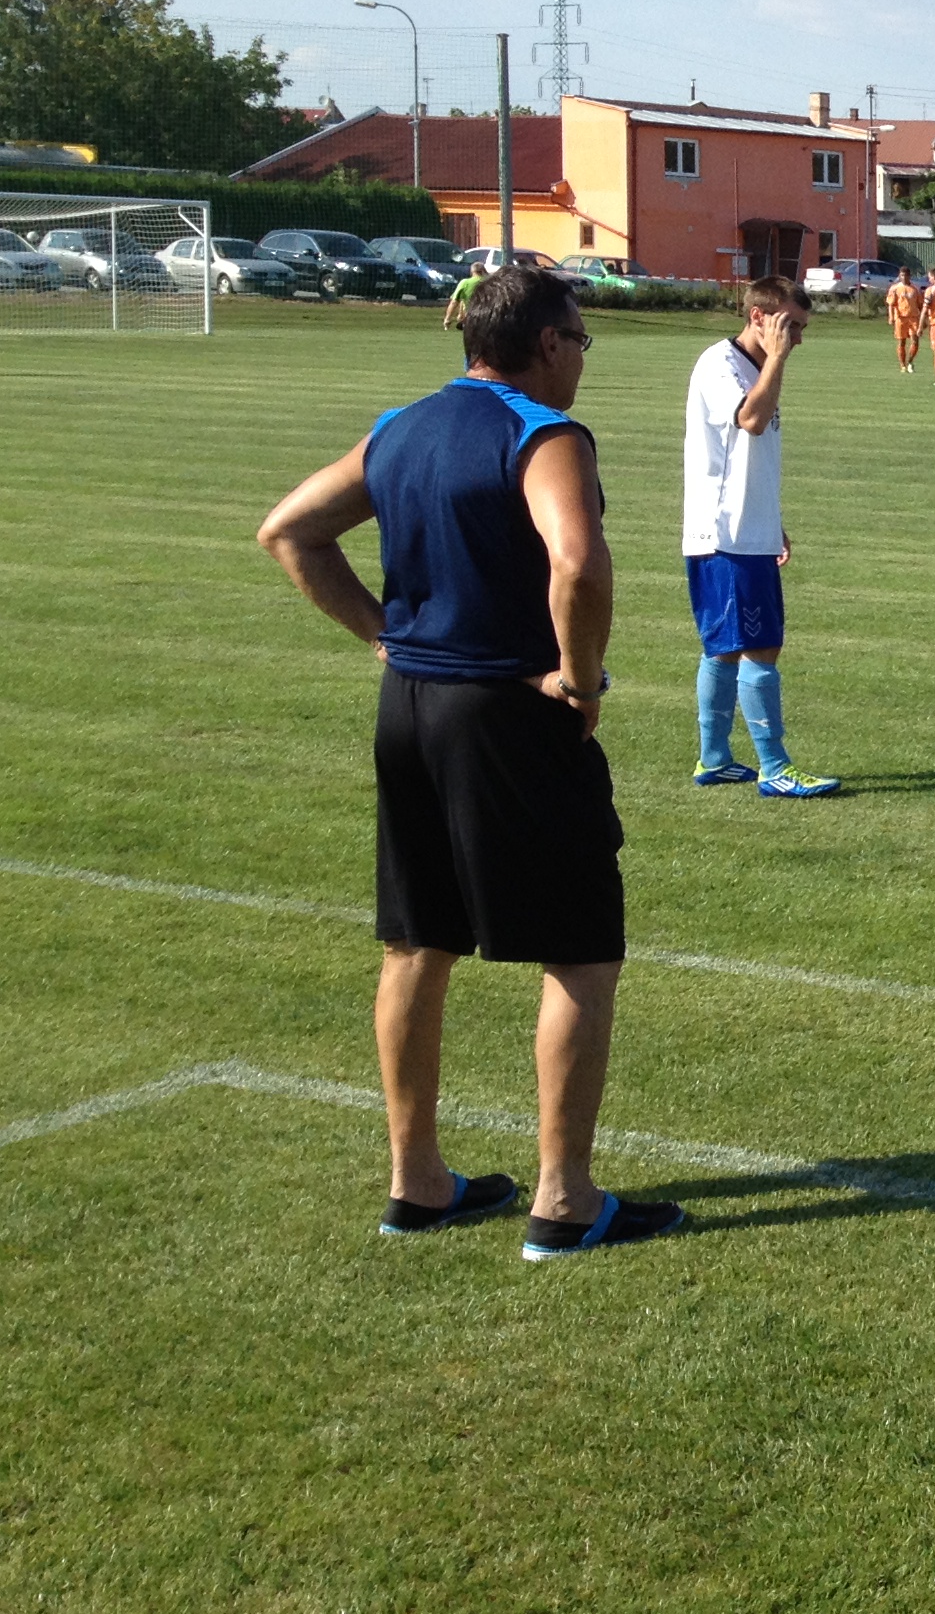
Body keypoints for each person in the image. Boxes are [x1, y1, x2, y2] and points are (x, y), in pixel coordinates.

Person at [253, 267, 682, 1258]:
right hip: (506, 713)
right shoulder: (543, 434)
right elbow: (578, 561)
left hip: (409, 709)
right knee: (580, 949)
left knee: (416, 942)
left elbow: (289, 531)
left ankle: (418, 1183)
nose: (581, 359)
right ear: (546, 344)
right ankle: (565, 1201)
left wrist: (385, 638)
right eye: (580, 340)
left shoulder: (401, 427)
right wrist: (579, 678)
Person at [683, 276, 839, 797]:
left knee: (726, 649)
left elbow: (746, 458)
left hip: (745, 532)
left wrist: (772, 523)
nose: (797, 339)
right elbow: (750, 419)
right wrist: (776, 359)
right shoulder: (720, 364)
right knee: (760, 646)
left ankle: (714, 759)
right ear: (758, 318)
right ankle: (775, 767)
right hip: (727, 536)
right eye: (790, 326)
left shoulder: (753, 367)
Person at [885, 270, 923, 376]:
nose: (904, 277)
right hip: (900, 318)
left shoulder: (915, 289)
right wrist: (891, 317)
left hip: (914, 318)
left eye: (906, 275)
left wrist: (923, 319)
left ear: (910, 276)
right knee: (902, 342)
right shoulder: (894, 288)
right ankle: (902, 365)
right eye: (902, 275)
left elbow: (920, 304)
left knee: (915, 341)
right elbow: (891, 304)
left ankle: (910, 361)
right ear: (899, 276)